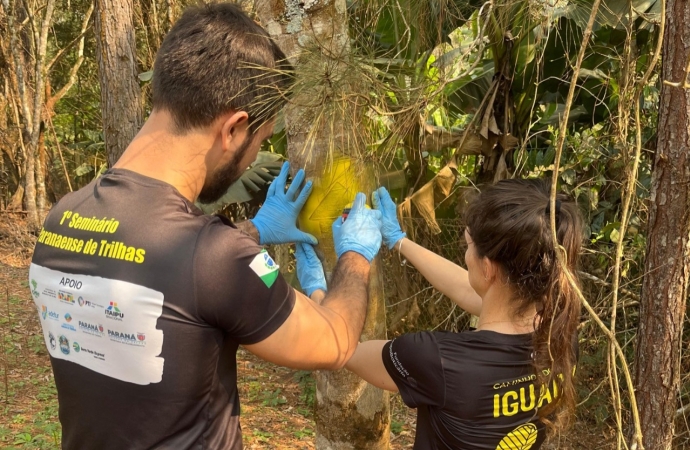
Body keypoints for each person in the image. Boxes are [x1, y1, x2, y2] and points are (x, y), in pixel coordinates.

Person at [28, 4, 383, 449]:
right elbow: (333, 341)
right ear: (234, 128)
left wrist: (251, 232)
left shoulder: (62, 216)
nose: (255, 157)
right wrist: (356, 255)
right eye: (260, 138)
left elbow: (164, 273)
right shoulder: (217, 259)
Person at [295, 181, 582, 449]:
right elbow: (479, 294)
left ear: (488, 267)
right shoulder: (560, 333)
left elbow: (343, 348)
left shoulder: (437, 360)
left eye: (468, 246)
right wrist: (399, 241)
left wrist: (319, 290)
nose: (465, 255)